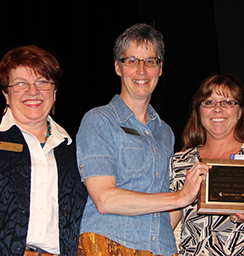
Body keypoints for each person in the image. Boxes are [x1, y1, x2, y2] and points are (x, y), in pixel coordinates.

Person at [76, 23, 208, 256]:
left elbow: (164, 210)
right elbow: (105, 199)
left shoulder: (165, 132)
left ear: (160, 69)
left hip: (161, 248)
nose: (141, 70)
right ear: (118, 67)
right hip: (110, 246)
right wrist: (180, 196)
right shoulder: (98, 120)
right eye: (132, 61)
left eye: (150, 61)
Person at [0, 45, 88, 256]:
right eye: (20, 84)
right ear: (6, 94)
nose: (33, 91)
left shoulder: (76, 151)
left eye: (42, 82)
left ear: (54, 92)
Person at [170, 73, 244, 256]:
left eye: (228, 102)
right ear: (199, 111)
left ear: (240, 112)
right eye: (208, 102)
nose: (217, 109)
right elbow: (167, 226)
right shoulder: (181, 162)